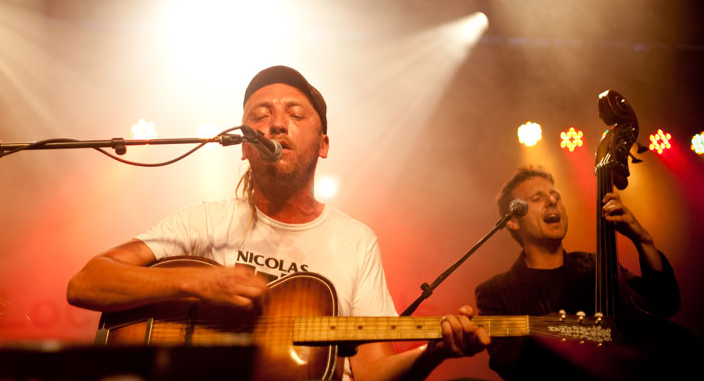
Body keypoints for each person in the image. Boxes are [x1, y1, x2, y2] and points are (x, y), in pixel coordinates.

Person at [68, 65, 489, 381]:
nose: (276, 123)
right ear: (244, 147)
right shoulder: (205, 220)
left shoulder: (355, 241)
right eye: (260, 115)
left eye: (295, 113)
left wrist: (434, 353)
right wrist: (197, 283)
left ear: (323, 145)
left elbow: (372, 371)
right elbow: (86, 283)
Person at [474, 165, 686, 381]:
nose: (552, 201)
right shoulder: (495, 292)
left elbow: (665, 302)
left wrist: (643, 239)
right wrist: (559, 333)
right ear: (513, 220)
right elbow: (510, 365)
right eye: (537, 198)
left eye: (555, 195)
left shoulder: (596, 266)